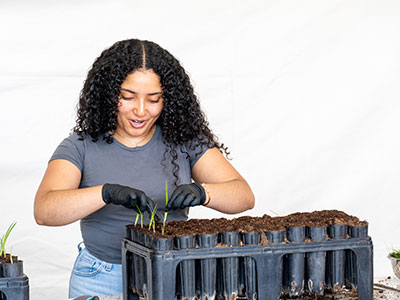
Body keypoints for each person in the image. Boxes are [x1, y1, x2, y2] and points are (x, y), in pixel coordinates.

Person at [34, 39, 255, 298]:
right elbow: (45, 210)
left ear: (167, 100)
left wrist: (203, 192)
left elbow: (244, 196)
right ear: (109, 94)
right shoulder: (80, 146)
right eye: (127, 97)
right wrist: (105, 193)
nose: (140, 111)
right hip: (101, 276)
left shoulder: (185, 141)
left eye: (153, 100)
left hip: (171, 273)